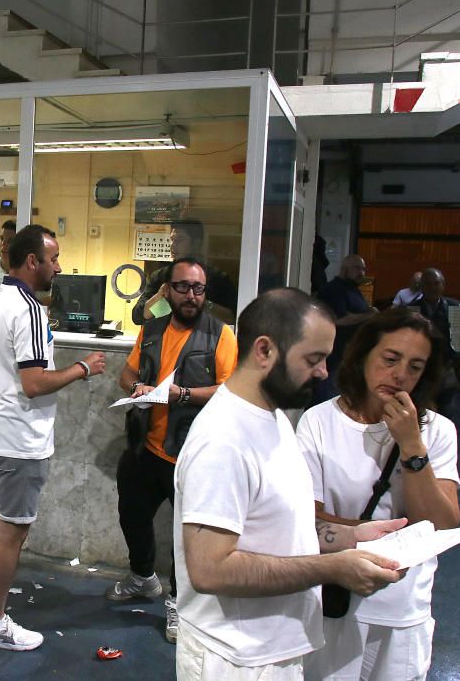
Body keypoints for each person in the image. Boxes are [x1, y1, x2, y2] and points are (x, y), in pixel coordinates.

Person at [173, 288, 406, 679]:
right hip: (235, 660)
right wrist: (331, 569)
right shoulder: (223, 440)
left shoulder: (273, 416)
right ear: (264, 351)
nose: (323, 372)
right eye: (313, 359)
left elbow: (280, 528)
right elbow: (210, 570)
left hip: (269, 651)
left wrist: (352, 537)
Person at [0, 224, 106, 651]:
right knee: (15, 530)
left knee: (3, 515)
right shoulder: (30, 311)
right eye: (53, 259)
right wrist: (83, 368)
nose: (58, 267)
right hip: (20, 435)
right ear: (32, 261)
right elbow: (35, 383)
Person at [298, 307, 460, 680]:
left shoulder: (437, 432)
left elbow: (442, 523)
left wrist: (411, 445)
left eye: (415, 367)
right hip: (335, 599)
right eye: (390, 359)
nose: (400, 374)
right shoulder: (320, 421)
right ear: (364, 355)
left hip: (403, 608)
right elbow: (307, 516)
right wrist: (378, 534)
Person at [107, 257, 238, 643]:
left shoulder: (220, 335)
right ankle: (143, 577)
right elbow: (127, 373)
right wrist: (137, 389)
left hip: (192, 453)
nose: (191, 295)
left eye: (198, 289)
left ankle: (180, 603)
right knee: (132, 514)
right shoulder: (152, 329)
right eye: (182, 287)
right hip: (145, 446)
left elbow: (230, 391)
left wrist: (181, 394)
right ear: (167, 291)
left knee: (187, 537)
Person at [132, 219, 238, 325]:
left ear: (196, 243)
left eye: (180, 240)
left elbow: (233, 318)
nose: (173, 246)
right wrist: (159, 296)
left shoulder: (217, 278)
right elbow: (138, 317)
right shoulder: (161, 277)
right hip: (168, 339)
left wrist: (202, 303)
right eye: (172, 240)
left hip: (204, 339)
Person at [313, 254, 378, 404]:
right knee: (328, 402)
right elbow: (337, 319)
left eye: (363, 269)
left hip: (347, 358)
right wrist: (368, 315)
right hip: (333, 359)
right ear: (344, 269)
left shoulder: (353, 289)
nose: (361, 272)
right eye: (357, 268)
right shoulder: (335, 289)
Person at [408, 268, 460, 418]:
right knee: (419, 413)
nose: (432, 287)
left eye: (436, 283)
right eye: (427, 284)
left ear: (443, 285)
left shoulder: (454, 307)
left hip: (446, 369)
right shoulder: (413, 308)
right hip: (421, 370)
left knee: (445, 413)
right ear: (421, 286)